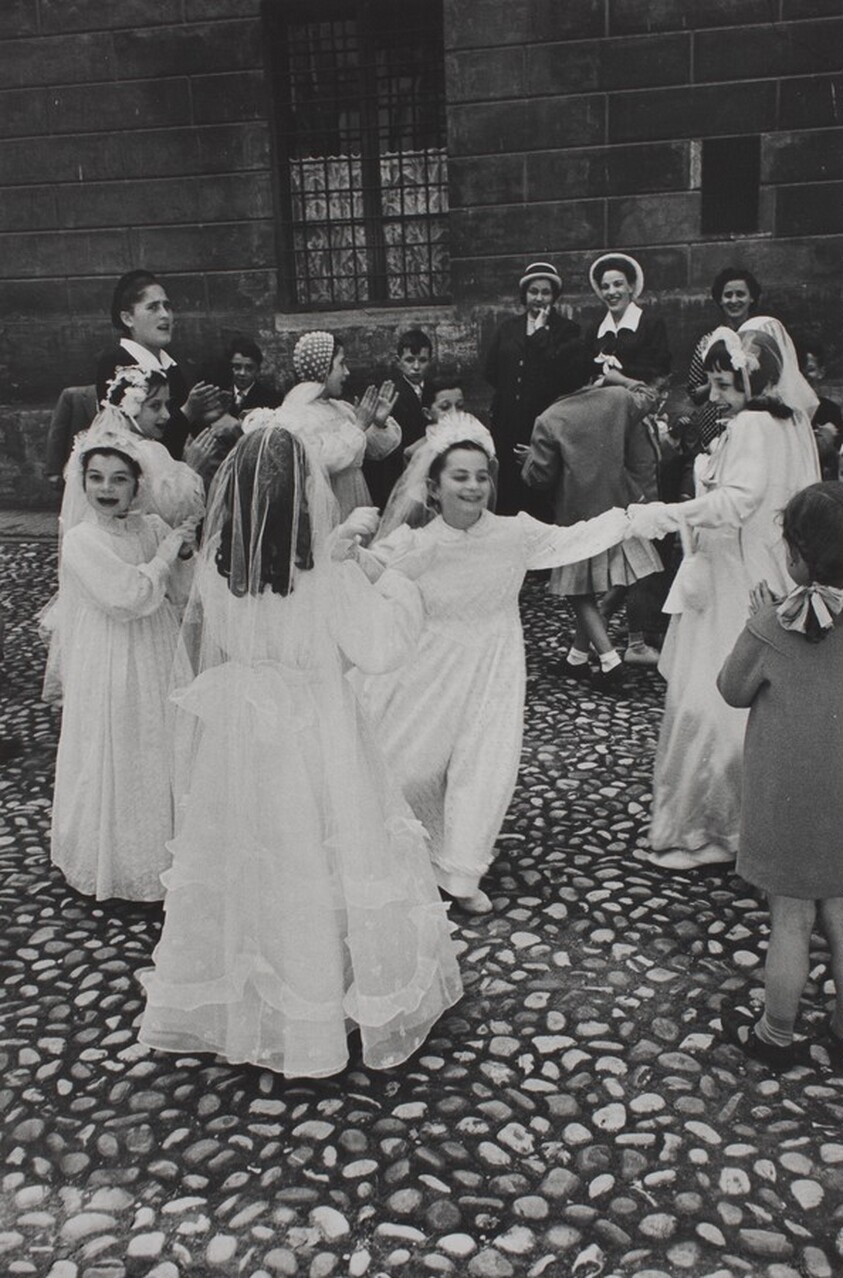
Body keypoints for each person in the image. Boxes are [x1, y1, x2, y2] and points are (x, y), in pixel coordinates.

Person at [137, 425, 462, 1078]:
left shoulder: (218, 565)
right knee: (321, 852)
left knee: (252, 857)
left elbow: (210, 639)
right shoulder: (325, 571)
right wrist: (393, 584)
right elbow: (380, 648)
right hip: (315, 725)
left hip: (239, 729)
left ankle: (253, 995)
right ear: (309, 496)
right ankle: (319, 1002)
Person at [352, 412, 667, 914]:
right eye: (460, 476)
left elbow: (573, 539)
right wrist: (347, 552)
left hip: (494, 663)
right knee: (413, 766)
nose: (474, 487)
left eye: (481, 476)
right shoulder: (419, 543)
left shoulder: (513, 533)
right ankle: (409, 852)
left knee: (484, 766)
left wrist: (631, 520)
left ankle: (461, 872)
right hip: (430, 667)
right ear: (433, 488)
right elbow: (371, 571)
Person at [646, 325, 820, 870]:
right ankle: (751, 821)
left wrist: (670, 514)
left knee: (711, 693)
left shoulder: (750, 425)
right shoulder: (787, 421)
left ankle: (708, 827)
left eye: (725, 386)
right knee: (751, 697)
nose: (715, 396)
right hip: (759, 566)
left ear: (755, 382)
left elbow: (738, 501)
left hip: (733, 573)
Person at [717, 481, 843, 1071]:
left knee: (791, 918)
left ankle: (775, 1033)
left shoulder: (773, 624)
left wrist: (758, 622)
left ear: (796, 555)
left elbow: (732, 689)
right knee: (842, 912)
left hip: (789, 801)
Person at [48, 425, 196, 901]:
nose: (106, 489)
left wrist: (183, 553)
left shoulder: (151, 528)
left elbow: (180, 592)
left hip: (156, 648)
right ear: (83, 482)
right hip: (109, 653)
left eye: (119, 479)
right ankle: (114, 861)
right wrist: (167, 555)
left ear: (137, 484)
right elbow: (127, 596)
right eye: (96, 478)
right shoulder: (82, 540)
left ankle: (163, 854)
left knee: (156, 740)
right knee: (115, 742)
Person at [520, 384, 663, 690]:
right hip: (617, 506)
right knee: (591, 587)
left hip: (575, 514)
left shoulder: (548, 418)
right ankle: (577, 657)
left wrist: (528, 462)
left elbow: (540, 478)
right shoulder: (618, 398)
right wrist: (619, 378)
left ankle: (610, 662)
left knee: (577, 592)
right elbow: (650, 397)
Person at [484, 261, 588, 517]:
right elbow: (491, 371)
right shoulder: (508, 328)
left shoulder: (567, 331)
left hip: (544, 426)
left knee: (541, 494)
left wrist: (541, 334)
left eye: (545, 292)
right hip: (507, 424)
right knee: (508, 491)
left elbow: (567, 377)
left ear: (554, 296)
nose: (539, 298)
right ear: (524, 295)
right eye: (533, 291)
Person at [58, 367, 208, 538]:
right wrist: (193, 468)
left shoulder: (92, 444)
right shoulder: (146, 451)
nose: (166, 415)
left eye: (166, 405)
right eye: (155, 406)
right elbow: (173, 517)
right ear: (130, 409)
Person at [271, 331, 402, 519]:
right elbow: (322, 462)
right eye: (341, 364)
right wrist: (359, 425)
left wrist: (377, 423)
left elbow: (369, 451)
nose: (346, 372)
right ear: (323, 368)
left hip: (353, 498)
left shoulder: (340, 408)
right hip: (327, 508)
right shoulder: (296, 414)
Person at [95, 270, 224, 459]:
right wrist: (188, 412)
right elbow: (135, 441)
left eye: (167, 306)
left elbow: (179, 431)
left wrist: (203, 418)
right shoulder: (117, 364)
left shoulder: (170, 364)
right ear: (128, 318)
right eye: (153, 307)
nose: (165, 315)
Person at [679, 267, 762, 455]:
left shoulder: (761, 339)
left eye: (740, 294)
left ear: (751, 298)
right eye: (728, 295)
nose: (734, 300)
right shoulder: (707, 342)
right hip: (713, 428)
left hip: (753, 424)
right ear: (720, 300)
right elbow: (694, 393)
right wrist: (716, 383)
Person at [365, 328, 435, 508]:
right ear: (398, 362)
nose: (416, 367)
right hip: (401, 470)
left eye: (422, 360)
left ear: (430, 361)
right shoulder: (391, 395)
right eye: (410, 360)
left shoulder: (436, 391)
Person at [586, 252, 671, 389]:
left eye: (618, 284)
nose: (611, 292)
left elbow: (658, 370)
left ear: (630, 287)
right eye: (605, 287)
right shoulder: (595, 330)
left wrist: (614, 377)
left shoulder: (651, 324)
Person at [797, 339, 842, 480]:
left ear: (821, 372)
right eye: (800, 371)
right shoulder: (788, 408)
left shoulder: (831, 411)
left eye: (811, 370)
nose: (805, 376)